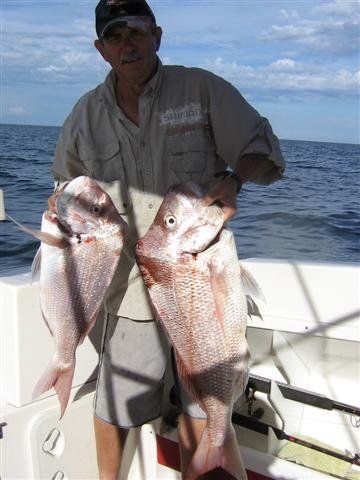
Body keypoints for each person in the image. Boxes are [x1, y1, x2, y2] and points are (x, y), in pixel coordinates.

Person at [52, 0, 285, 478]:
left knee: (204, 406)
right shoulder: (84, 116)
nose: (127, 44)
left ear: (157, 35)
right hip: (125, 291)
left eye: (135, 32)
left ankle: (205, 463)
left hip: (197, 281)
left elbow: (264, 149)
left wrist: (233, 181)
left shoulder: (200, 90)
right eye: (114, 37)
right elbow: (64, 191)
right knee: (116, 404)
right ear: (101, 49)